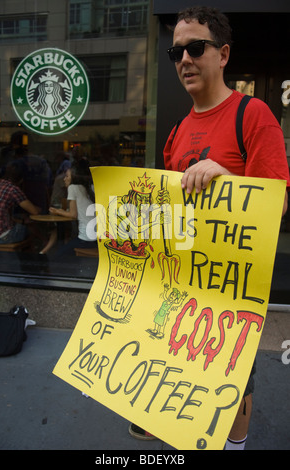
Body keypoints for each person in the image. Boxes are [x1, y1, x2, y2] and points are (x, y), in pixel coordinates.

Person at [129, 6, 290, 449]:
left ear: (223, 54)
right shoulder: (176, 131)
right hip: (181, 284)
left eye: (195, 48)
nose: (184, 59)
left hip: (231, 291)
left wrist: (228, 182)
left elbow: (277, 205)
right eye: (176, 51)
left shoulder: (253, 115)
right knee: (186, 374)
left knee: (234, 384)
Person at [48, 159, 97, 256]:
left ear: (74, 178)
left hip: (86, 238)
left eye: (67, 176)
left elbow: (73, 214)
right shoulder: (91, 187)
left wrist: (58, 211)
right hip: (98, 238)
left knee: (58, 256)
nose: (64, 179)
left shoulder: (73, 188)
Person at [0, 162, 40, 244]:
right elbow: (34, 211)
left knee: (22, 218)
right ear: (21, 180)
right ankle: (40, 247)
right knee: (30, 226)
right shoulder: (13, 189)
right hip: (3, 237)